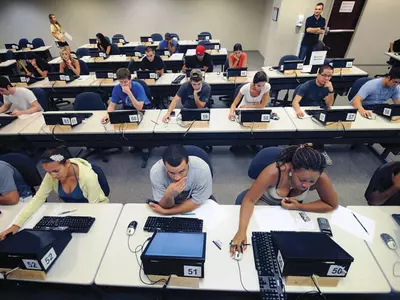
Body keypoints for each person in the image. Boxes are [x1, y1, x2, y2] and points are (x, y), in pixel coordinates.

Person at [230, 145, 338, 254]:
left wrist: (299, 206)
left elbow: (331, 204)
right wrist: (241, 231)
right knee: (258, 245)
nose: (305, 185)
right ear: (292, 169)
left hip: (288, 215)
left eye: (311, 182)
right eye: (302, 180)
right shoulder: (274, 172)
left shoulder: (319, 177)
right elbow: (249, 200)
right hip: (261, 208)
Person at [0, 147, 109, 240]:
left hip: (95, 209)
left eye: (56, 171)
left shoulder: (88, 177)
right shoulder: (52, 175)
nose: (53, 176)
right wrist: (16, 225)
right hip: (72, 211)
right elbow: (38, 199)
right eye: (48, 172)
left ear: (67, 163)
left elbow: (94, 207)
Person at [148, 144, 212, 215]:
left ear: (188, 162)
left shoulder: (202, 170)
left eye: (181, 171)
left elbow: (196, 202)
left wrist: (166, 212)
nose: (177, 177)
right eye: (171, 172)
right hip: (173, 204)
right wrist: (168, 195)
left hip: (197, 204)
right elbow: (165, 206)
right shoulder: (156, 172)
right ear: (164, 166)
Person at [292, 64, 334, 165]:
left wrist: (331, 91)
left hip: (317, 111)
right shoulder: (307, 85)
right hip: (304, 111)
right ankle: (301, 150)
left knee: (322, 128)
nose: (326, 78)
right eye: (324, 75)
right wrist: (298, 110)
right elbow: (295, 102)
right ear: (318, 74)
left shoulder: (327, 87)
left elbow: (329, 104)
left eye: (329, 76)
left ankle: (321, 150)